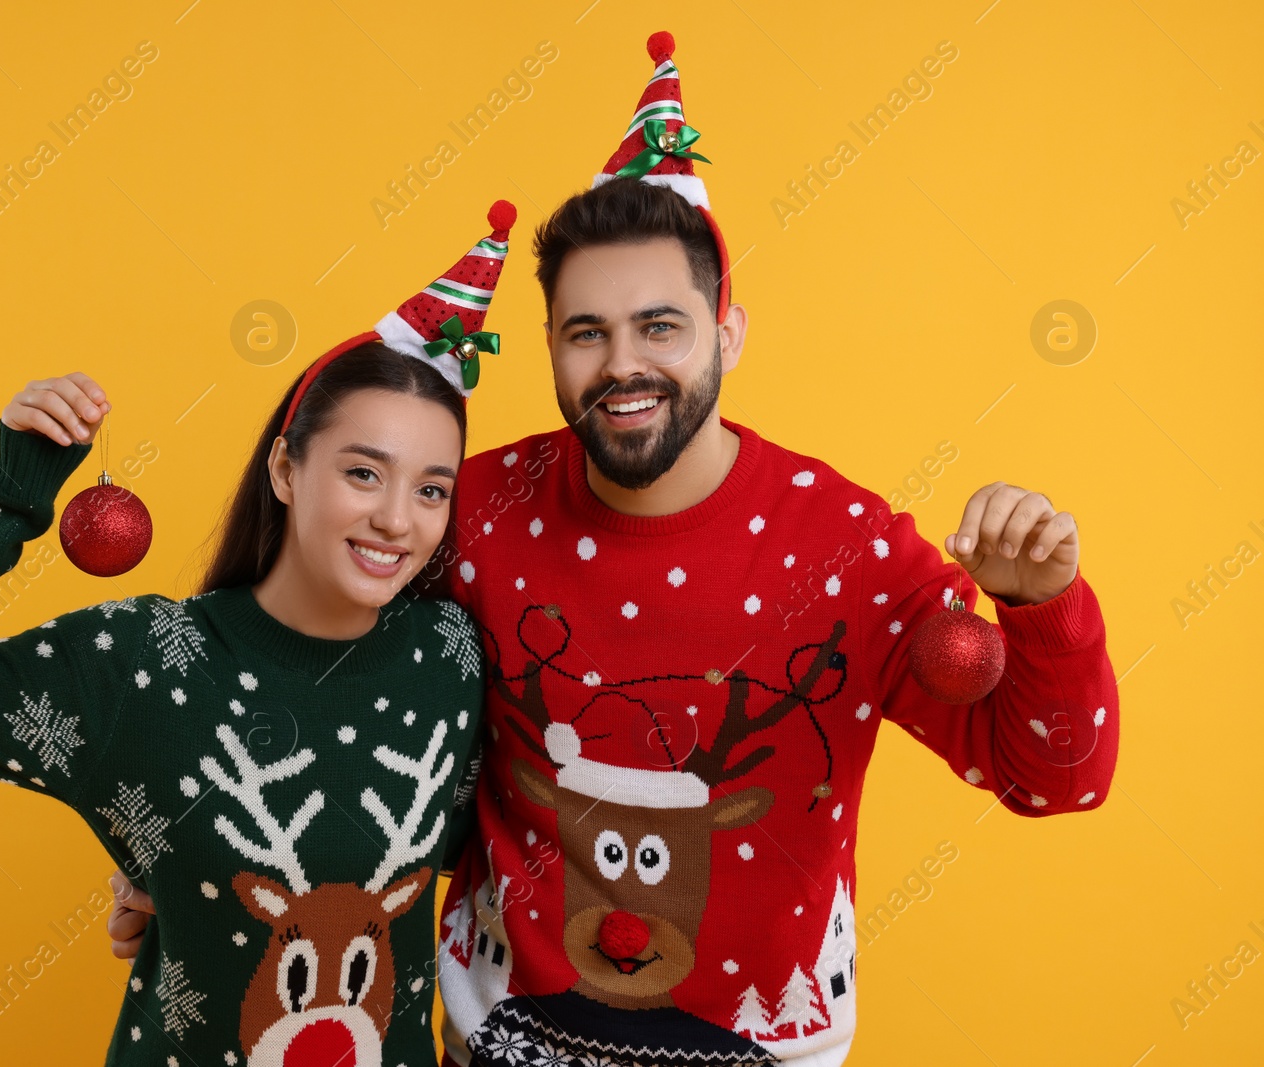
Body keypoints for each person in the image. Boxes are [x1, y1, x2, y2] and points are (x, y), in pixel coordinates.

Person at [109, 32, 1120, 1067]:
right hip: (500, 1033)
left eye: (661, 326)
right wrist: (183, 839)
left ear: (728, 333)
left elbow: (1054, 776)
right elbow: (317, 672)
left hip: (763, 1045)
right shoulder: (474, 506)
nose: (622, 363)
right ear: (548, 342)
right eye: (585, 330)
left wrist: (1043, 607)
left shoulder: (849, 545)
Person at [0, 203, 523, 1066]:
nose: (394, 518)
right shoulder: (141, 661)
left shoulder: (451, 654)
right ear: (285, 467)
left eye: (431, 489)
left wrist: (174, 879)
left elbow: (507, 842)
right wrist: (10, 498)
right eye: (363, 471)